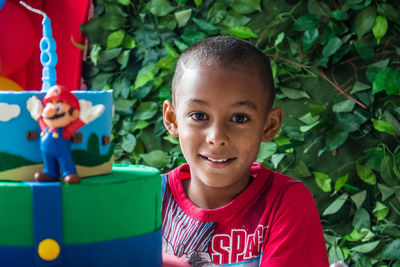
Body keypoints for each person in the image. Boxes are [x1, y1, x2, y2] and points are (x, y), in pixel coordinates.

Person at [162, 36, 329, 266]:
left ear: (269, 125)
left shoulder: (284, 204)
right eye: (199, 116)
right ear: (172, 119)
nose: (217, 137)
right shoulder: (145, 201)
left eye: (239, 118)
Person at [27, 85, 104, 184]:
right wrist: (36, 113)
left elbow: (77, 124)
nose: (50, 110)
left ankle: (69, 173)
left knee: (65, 160)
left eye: (58, 107)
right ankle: (50, 173)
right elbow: (40, 119)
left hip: (61, 151)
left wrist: (85, 117)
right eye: (49, 105)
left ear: (74, 114)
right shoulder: (46, 128)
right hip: (46, 152)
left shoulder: (64, 131)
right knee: (48, 162)